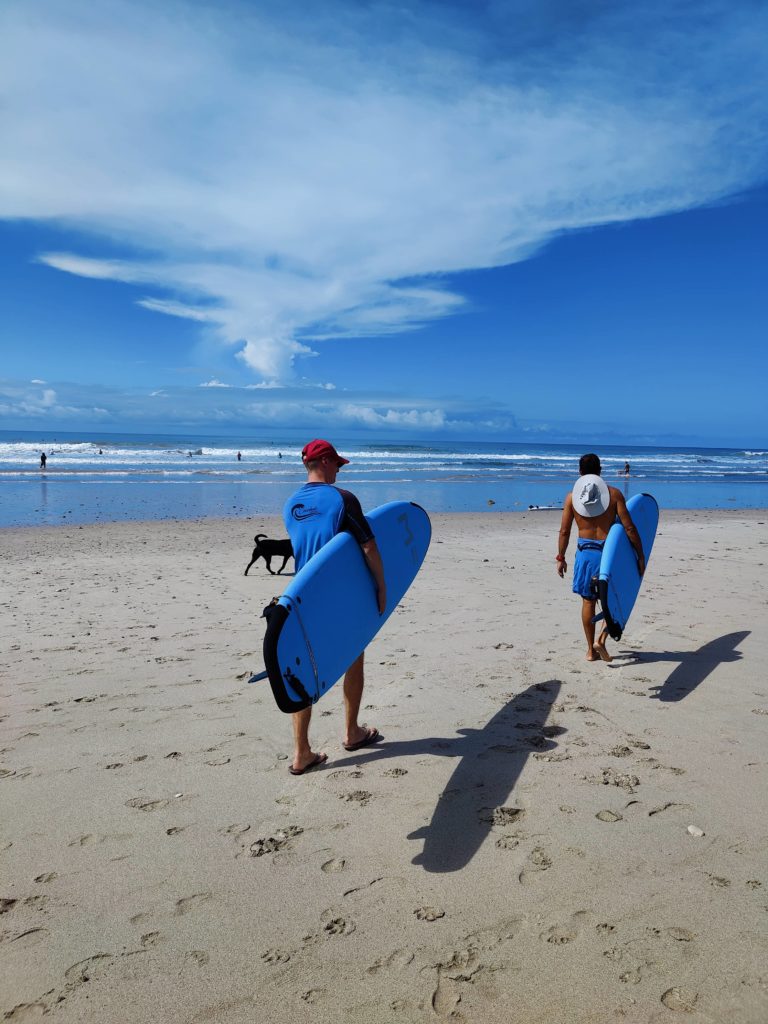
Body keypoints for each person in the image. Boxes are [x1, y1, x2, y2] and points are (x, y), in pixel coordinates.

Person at [282, 439, 387, 775]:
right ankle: (352, 732)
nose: (339, 470)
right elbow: (368, 547)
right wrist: (382, 588)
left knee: (301, 673)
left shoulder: (291, 504)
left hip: (301, 599)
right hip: (341, 598)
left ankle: (301, 752)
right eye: (338, 465)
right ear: (325, 462)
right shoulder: (343, 499)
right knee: (353, 660)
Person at [556, 453, 645, 662]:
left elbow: (564, 531)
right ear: (600, 471)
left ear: (579, 472)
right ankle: (602, 639)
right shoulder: (614, 495)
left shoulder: (571, 498)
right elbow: (629, 527)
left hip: (586, 556)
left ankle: (590, 650)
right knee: (612, 599)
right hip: (610, 556)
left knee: (588, 602)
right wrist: (640, 555)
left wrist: (561, 557)